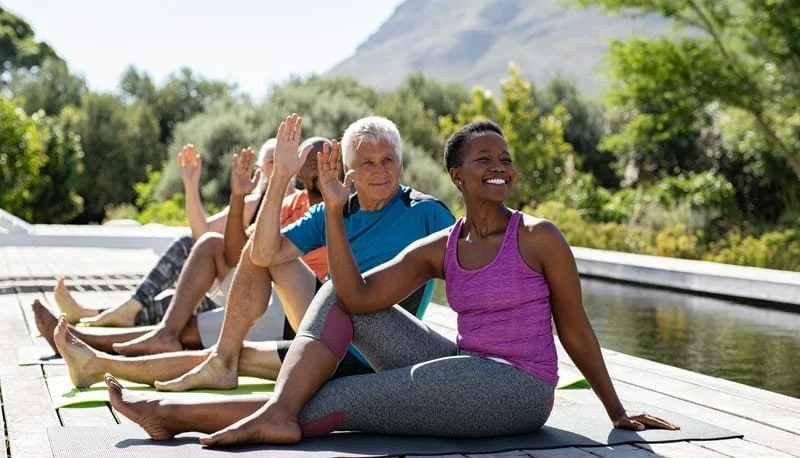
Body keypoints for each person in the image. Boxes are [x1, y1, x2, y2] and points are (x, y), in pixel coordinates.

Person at [107, 120, 679, 445]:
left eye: (504, 157)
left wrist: (616, 411)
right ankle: (217, 413)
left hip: (519, 390)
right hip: (460, 368)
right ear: (459, 175)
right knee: (337, 289)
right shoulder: (444, 244)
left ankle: (179, 415)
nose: (498, 166)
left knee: (337, 400)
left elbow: (575, 331)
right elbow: (354, 299)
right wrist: (334, 209)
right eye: (483, 159)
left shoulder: (539, 237)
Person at [125, 113, 454, 393]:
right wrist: (280, 176)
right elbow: (264, 253)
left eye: (388, 161)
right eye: (367, 162)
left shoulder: (427, 213)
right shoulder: (332, 210)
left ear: (401, 166)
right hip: (329, 331)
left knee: (239, 354)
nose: (380, 171)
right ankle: (107, 364)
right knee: (260, 257)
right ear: (349, 171)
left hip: (380, 346)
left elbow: (465, 274)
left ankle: (108, 363)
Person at [32, 141, 326, 355]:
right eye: (275, 162)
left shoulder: (336, 211)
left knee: (185, 321)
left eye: (324, 163)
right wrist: (233, 195)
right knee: (204, 248)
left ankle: (81, 337)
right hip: (256, 287)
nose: (281, 169)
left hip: (289, 307)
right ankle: (124, 325)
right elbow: (230, 250)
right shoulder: (282, 205)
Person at [54, 141, 282, 328]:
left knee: (180, 300)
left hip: (260, 297)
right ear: (260, 169)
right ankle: (99, 312)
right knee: (178, 282)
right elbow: (200, 235)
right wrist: (190, 185)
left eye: (283, 158)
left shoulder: (296, 204)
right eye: (272, 160)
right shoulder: (252, 203)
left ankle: (98, 312)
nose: (279, 164)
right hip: (230, 289)